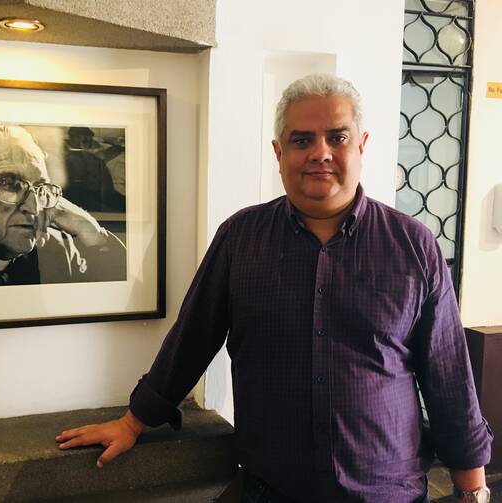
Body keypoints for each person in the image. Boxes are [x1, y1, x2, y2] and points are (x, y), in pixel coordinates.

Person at [55, 75, 493, 502]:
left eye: (337, 138)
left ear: (361, 146)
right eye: (302, 140)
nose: (320, 153)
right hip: (272, 488)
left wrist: (472, 489)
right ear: (278, 152)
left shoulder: (413, 245)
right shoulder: (240, 238)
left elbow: (449, 377)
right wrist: (134, 423)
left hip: (387, 490)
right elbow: (191, 339)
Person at [0, 124, 126, 287]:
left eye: (40, 188)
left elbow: (127, 289)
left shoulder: (59, 250)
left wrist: (87, 229)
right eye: (8, 183)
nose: (34, 207)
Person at [64, 126, 126, 212]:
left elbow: (108, 189)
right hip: (81, 199)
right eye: (81, 138)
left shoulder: (97, 160)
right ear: (72, 138)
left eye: (89, 138)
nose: (86, 141)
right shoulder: (66, 159)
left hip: (100, 196)